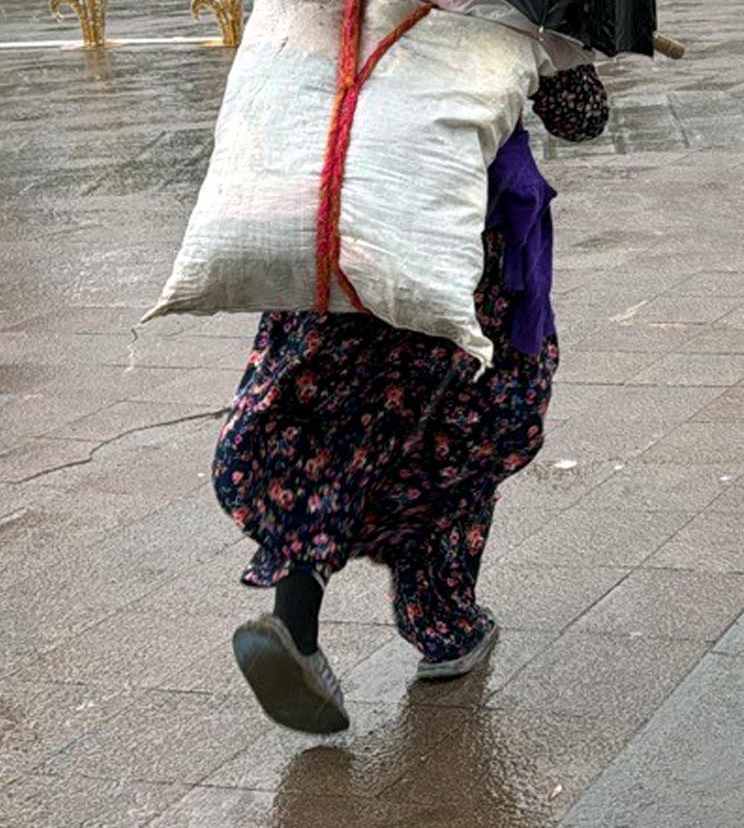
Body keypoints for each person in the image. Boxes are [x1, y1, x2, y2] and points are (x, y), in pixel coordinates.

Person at [216, 44, 610, 735]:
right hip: (455, 246)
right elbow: (583, 116)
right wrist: (562, 48)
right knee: (467, 430)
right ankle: (444, 622)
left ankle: (297, 626)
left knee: (327, 418)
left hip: (344, 220)